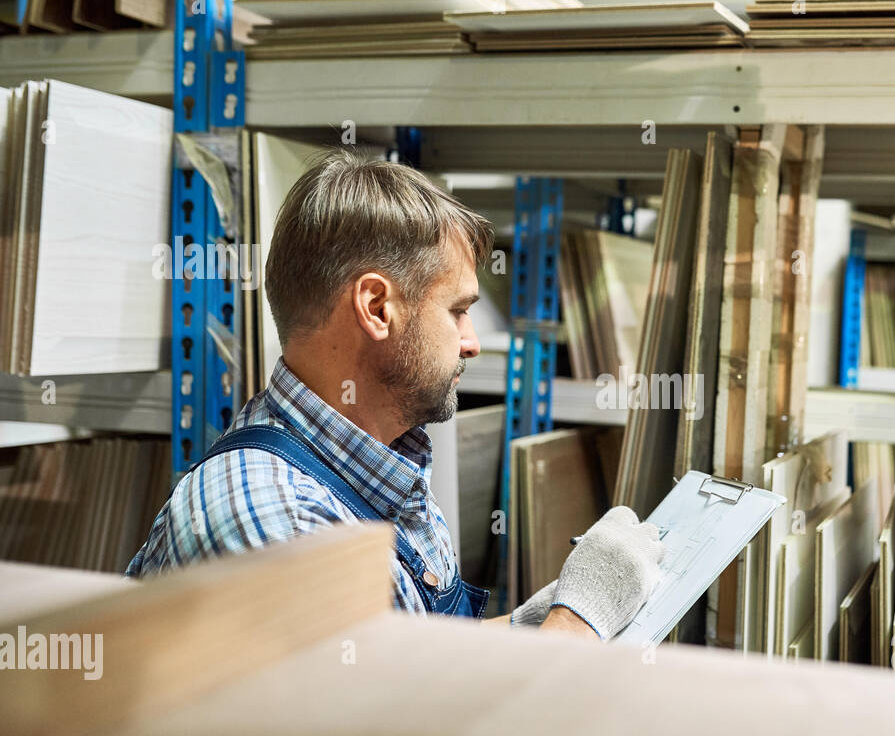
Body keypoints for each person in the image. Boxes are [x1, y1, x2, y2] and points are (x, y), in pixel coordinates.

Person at [127, 150, 663, 640]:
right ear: (377, 307)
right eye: (457, 311)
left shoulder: (381, 460)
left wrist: (537, 618)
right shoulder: (277, 524)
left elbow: (421, 665)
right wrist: (576, 624)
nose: (472, 343)